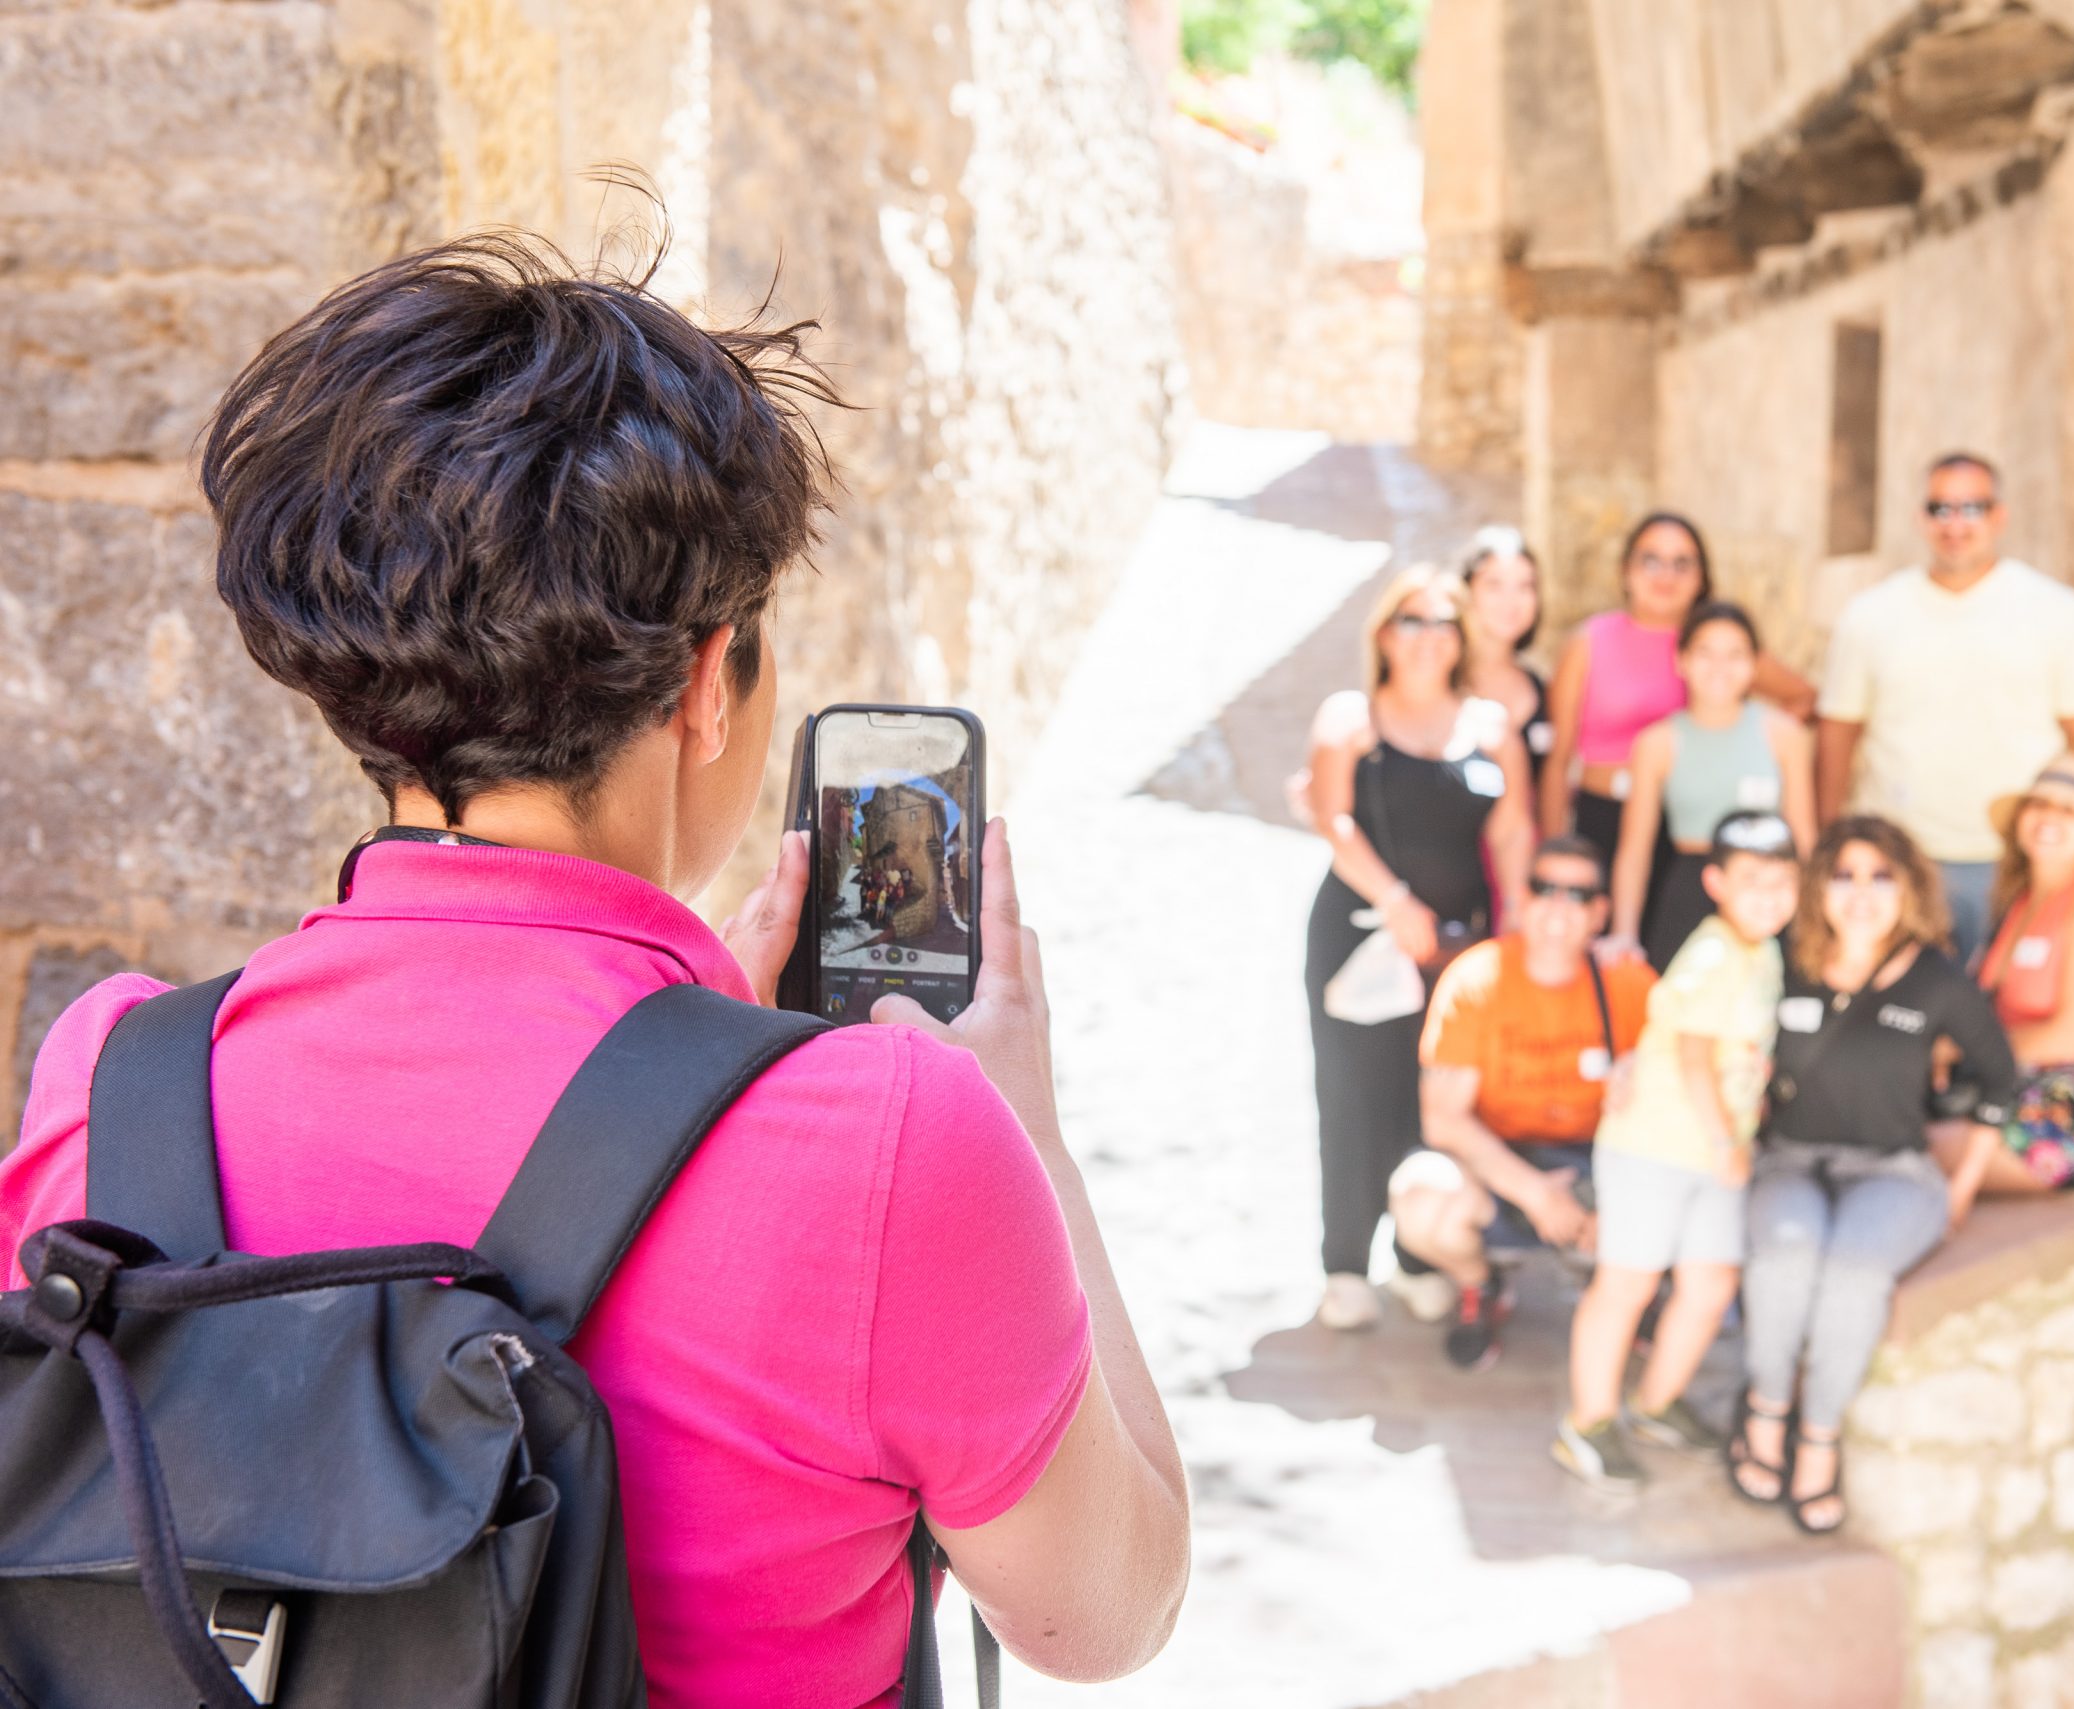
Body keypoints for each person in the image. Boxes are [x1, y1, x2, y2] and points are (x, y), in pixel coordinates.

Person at [0, 234, 1188, 1702]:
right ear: (706, 687)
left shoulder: (111, 1076)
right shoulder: (900, 1144)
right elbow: (1107, 1615)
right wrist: (1034, 1142)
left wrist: (712, 1068)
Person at [1731, 816, 2017, 1535]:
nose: (1862, 893)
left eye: (1881, 876)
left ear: (1909, 888)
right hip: (1791, 1160)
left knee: (1853, 1273)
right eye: (1845, 874)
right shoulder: (1781, 961)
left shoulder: (1935, 978)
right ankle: (1767, 1405)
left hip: (1892, 1172)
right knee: (1788, 1255)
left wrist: (1963, 1185)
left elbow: (2003, 1078)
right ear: (1817, 885)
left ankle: (1819, 1434)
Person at [1305, 567, 1536, 1331]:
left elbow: (1510, 831)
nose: (1428, 637)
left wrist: (1513, 933)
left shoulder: (1492, 725)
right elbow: (1333, 821)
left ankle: (1415, 1255)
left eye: (1444, 622)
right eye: (1412, 620)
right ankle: (1345, 1265)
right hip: (1364, 935)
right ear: (1383, 633)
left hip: (1458, 949)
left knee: (1427, 1098)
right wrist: (1397, 902)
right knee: (1353, 1096)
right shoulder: (1352, 718)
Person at [1556, 811, 1800, 1490]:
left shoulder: (1763, 949)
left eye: (1783, 881)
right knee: (1628, 1282)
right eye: (1753, 881)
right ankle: (1588, 1421)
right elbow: (1692, 1055)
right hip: (1660, 1145)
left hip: (1712, 1151)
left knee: (1709, 1283)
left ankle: (1655, 1402)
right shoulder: (1716, 952)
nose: (1770, 896)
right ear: (1717, 881)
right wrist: (1726, 1140)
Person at [1814, 454, 2074, 967]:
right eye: (1941, 508)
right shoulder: (1869, 617)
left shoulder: (2056, 611)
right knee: (1901, 1026)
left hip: (2017, 861)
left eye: (1972, 507)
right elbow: (1837, 738)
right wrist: (1831, 847)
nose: (1956, 524)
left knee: (2006, 1020)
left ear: (1999, 517)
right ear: (1921, 519)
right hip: (1900, 860)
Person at [1389, 836, 1657, 1370]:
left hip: (1596, 1158)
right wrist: (1535, 1194)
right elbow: (1443, 1120)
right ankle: (1481, 1285)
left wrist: (1620, 1200)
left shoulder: (1627, 982)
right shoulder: (1476, 978)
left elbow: (1672, 1108)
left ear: (1600, 912)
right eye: (1545, 889)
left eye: (1578, 894)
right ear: (1522, 899)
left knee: (1668, 1200)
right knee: (1420, 1198)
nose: (1559, 907)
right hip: (1497, 1157)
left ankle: (1617, 1289)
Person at [1539, 513, 1814, 879]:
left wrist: (1747, 758)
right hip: (1607, 815)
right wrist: (1553, 848)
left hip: (1691, 827)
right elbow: (1559, 761)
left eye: (1682, 563)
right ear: (1626, 569)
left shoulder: (1716, 644)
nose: (1665, 575)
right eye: (1650, 560)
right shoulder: (1589, 642)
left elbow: (1801, 698)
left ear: (1701, 576)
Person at [1933, 755, 2074, 1203]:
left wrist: (1960, 1046)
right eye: (2040, 805)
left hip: (2072, 1117)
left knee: (1910, 1147)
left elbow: (2071, 1038)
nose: (2049, 818)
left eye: (2069, 811)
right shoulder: (2018, 902)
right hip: (2000, 1094)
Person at [1601, 601, 1814, 971]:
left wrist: (1813, 926)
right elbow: (1634, 850)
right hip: (1691, 893)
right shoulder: (1657, 743)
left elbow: (1804, 839)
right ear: (1680, 660)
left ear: (1754, 664)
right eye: (1705, 653)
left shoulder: (1783, 734)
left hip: (1767, 896)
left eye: (1735, 654)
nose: (1720, 667)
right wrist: (1624, 932)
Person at [1459, 527, 1555, 792]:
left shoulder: (1541, 689)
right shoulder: (1441, 681)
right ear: (1466, 589)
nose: (1511, 601)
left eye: (1525, 586)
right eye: (1494, 585)